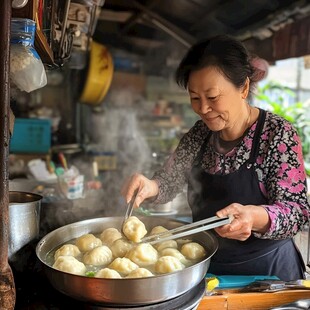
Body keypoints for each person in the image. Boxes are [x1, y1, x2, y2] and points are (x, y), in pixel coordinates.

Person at [121, 34, 310, 281]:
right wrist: (151, 186)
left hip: (268, 274)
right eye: (195, 98)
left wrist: (253, 217)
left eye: (212, 97)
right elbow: (170, 180)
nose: (203, 109)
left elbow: (297, 212)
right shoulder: (199, 134)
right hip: (206, 268)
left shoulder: (277, 135)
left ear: (243, 88)